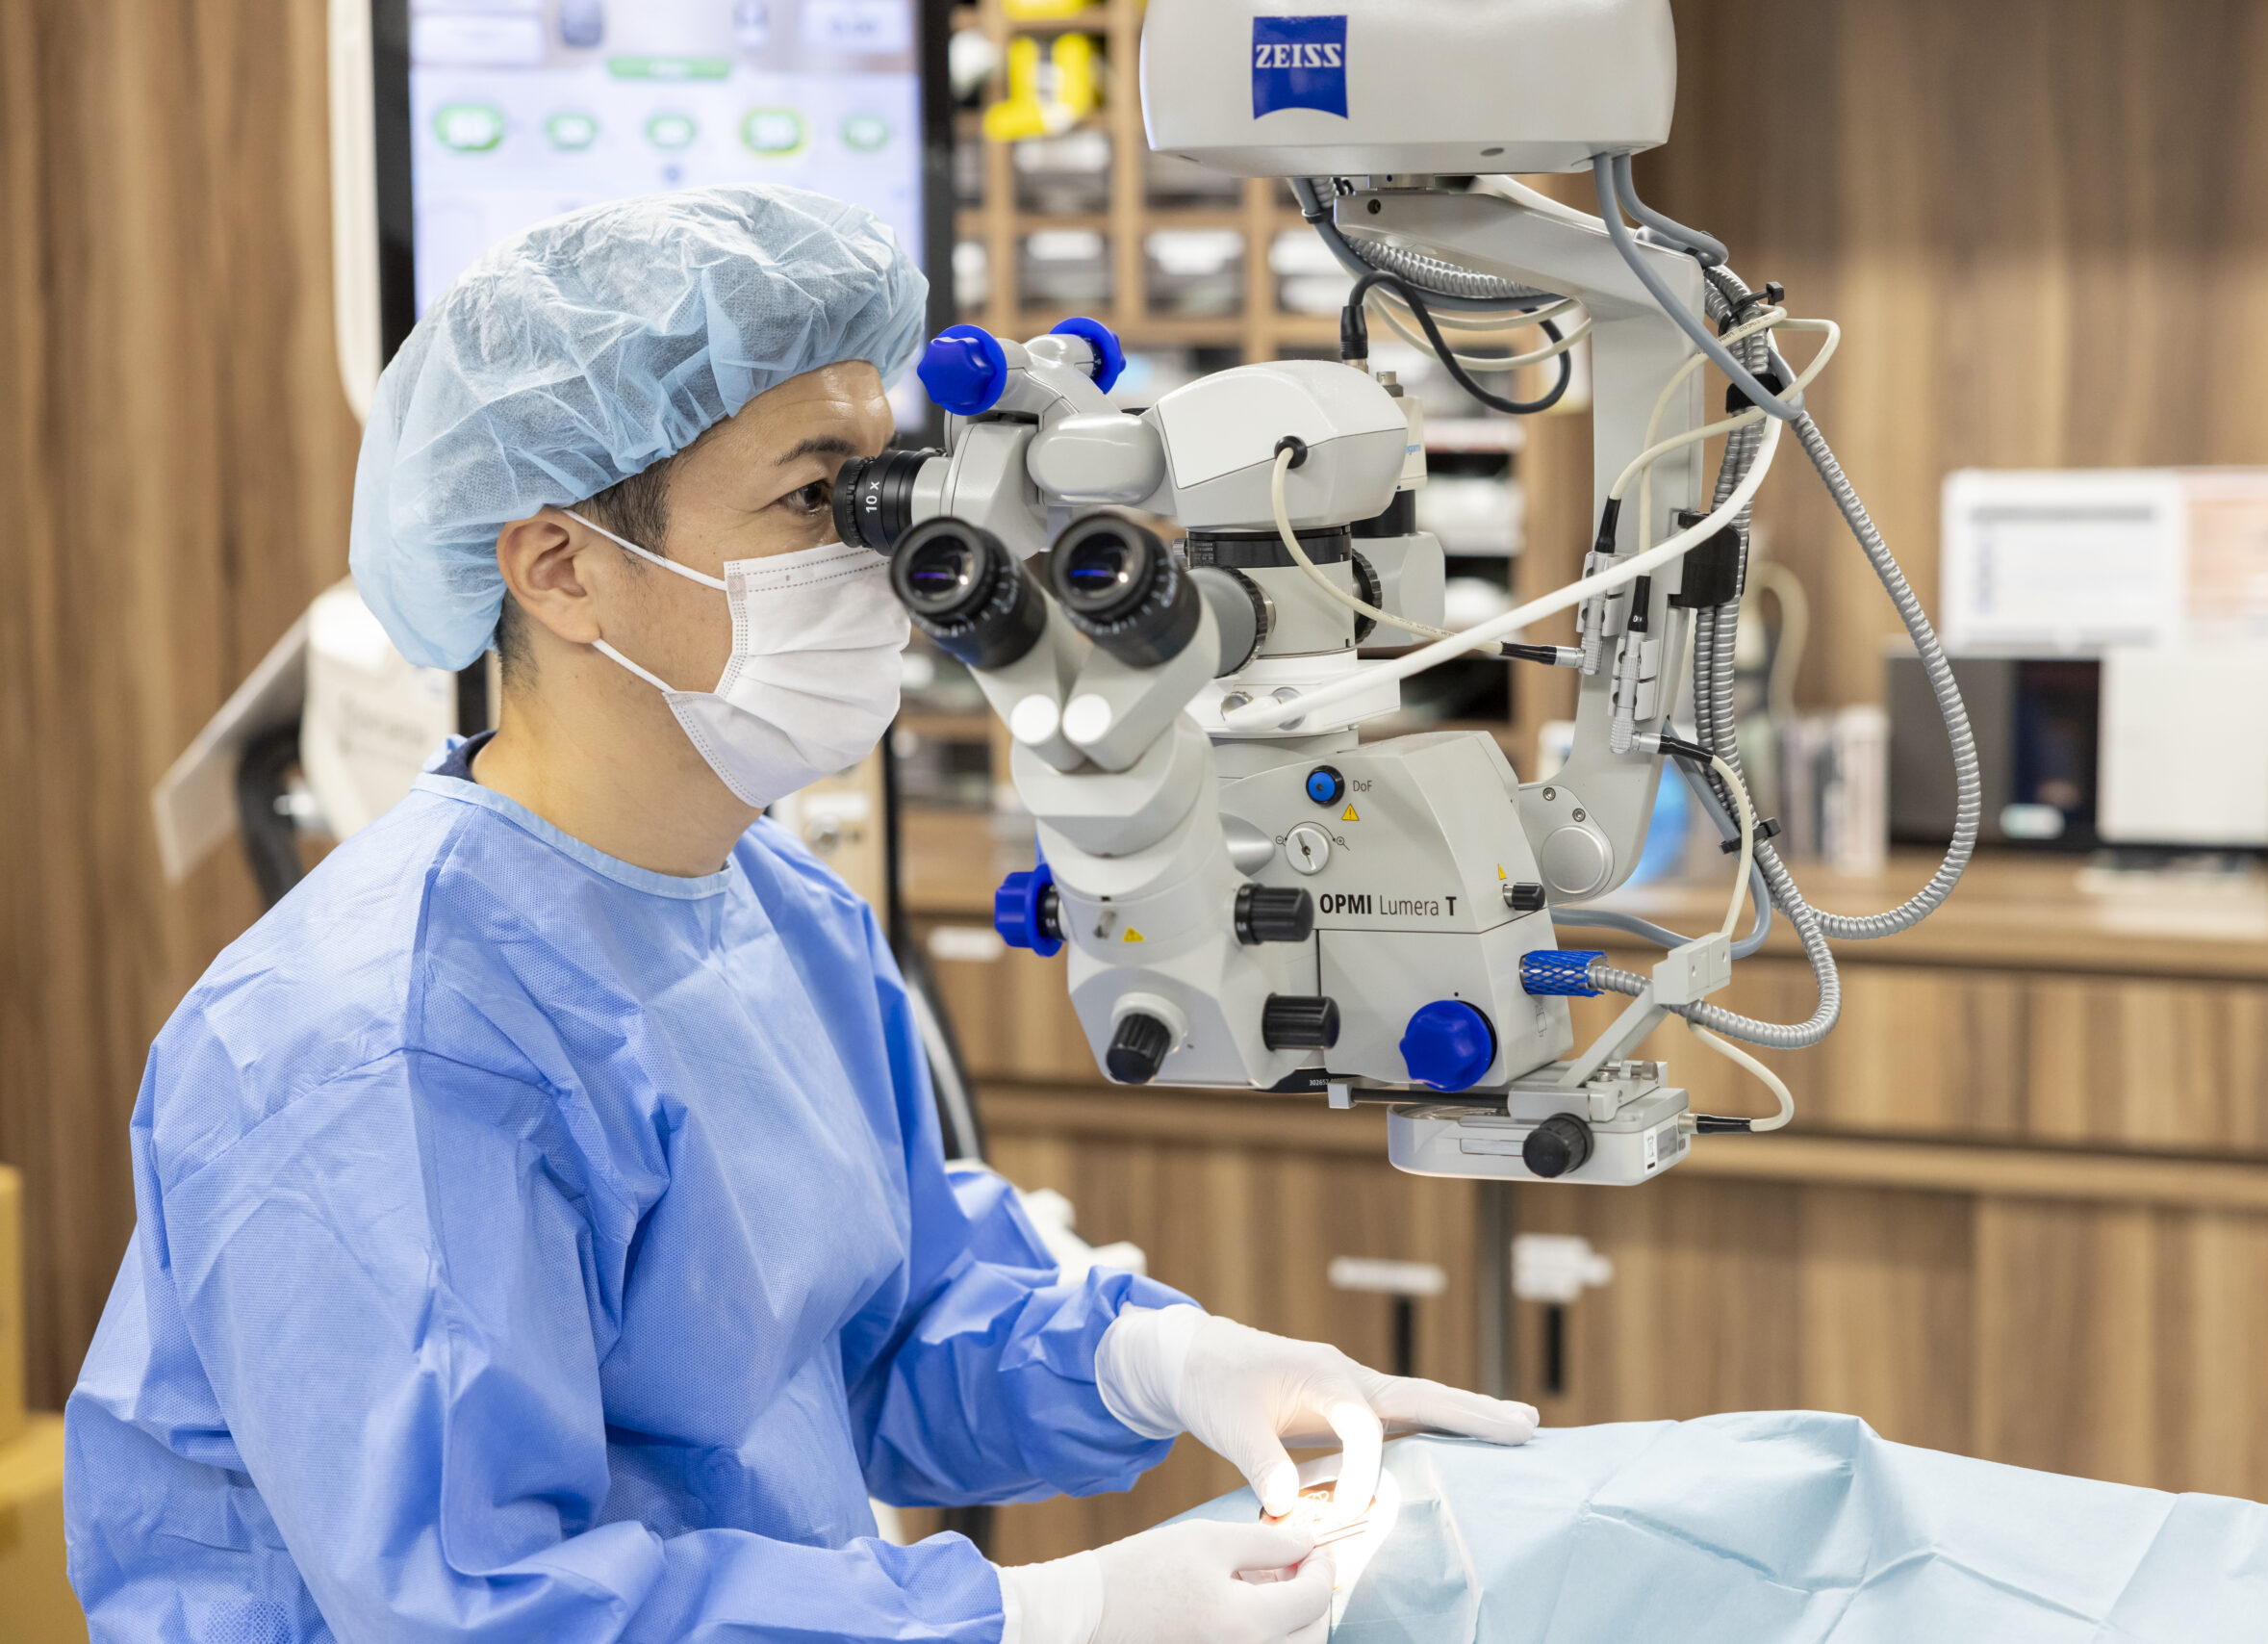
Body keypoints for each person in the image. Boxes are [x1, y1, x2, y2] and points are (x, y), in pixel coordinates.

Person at [63, 184, 1536, 1644]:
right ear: (564, 568)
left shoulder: (786, 916)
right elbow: (478, 1612)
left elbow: (883, 1335)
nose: (884, 553)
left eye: (885, 487)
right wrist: (1042, 1614)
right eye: (816, 498)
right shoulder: (380, 1041)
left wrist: (1164, 1364)